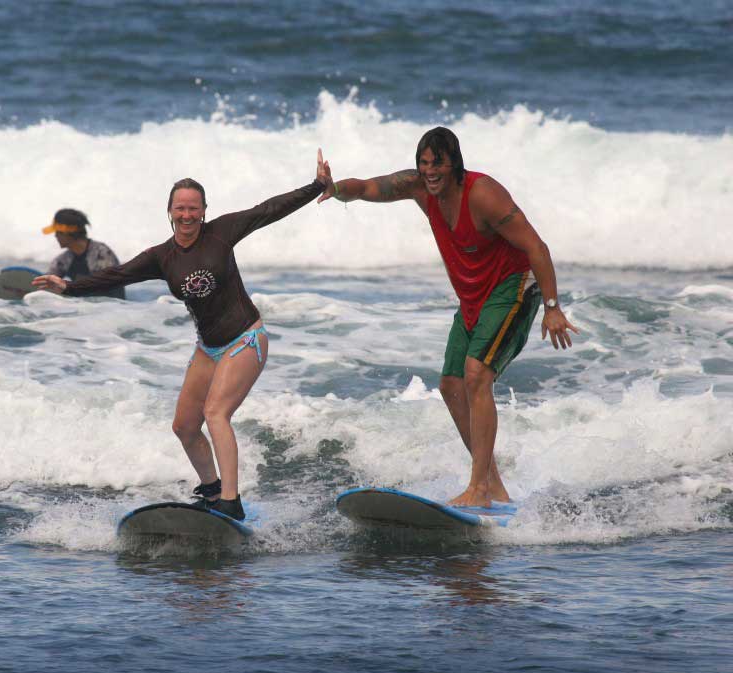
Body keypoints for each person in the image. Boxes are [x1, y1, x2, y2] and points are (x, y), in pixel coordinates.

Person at [33, 151, 334, 520]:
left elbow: (268, 210)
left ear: (204, 210)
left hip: (246, 338)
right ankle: (210, 490)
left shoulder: (222, 233)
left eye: (194, 208)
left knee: (216, 413)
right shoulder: (162, 256)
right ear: (170, 211)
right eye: (180, 208)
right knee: (185, 426)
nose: (187, 214)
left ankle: (230, 500)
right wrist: (67, 287)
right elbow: (117, 275)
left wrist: (317, 185)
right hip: (209, 348)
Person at [320, 127, 578, 508]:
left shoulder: (484, 194)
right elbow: (369, 188)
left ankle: (478, 491)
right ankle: (492, 484)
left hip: (513, 287)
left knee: (477, 374)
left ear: (454, 163)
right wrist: (334, 187)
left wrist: (553, 307)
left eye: (437, 164)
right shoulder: (420, 188)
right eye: (423, 164)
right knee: (451, 385)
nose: (430, 172)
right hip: (473, 297)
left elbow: (536, 246)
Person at [42, 209, 126, 300]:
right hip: (85, 307)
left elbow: (108, 285)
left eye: (57, 232)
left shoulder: (101, 253)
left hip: (113, 307)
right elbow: (46, 281)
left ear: (67, 233)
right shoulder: (63, 260)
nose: (55, 236)